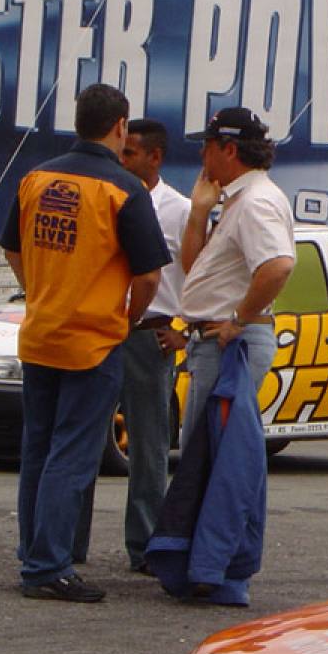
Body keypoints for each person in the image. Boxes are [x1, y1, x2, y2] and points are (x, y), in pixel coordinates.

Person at [0, 84, 169, 603]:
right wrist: (127, 318)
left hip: (41, 332)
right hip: (92, 341)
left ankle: (35, 553)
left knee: (38, 449)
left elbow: (10, 247)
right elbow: (149, 276)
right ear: (120, 127)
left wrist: (41, 291)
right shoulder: (123, 190)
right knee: (72, 455)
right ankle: (48, 566)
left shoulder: (36, 177)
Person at [177, 106, 296, 444]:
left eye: (209, 145)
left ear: (229, 149)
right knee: (204, 452)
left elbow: (278, 266)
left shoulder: (255, 202)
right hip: (217, 341)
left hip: (229, 343)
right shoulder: (240, 198)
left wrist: (237, 320)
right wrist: (199, 211)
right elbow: (193, 268)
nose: (202, 154)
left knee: (209, 454)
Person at [114, 118, 191, 573]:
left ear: (154, 157)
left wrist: (186, 329)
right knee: (84, 443)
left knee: (148, 447)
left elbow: (203, 275)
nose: (122, 160)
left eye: (130, 153)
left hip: (149, 335)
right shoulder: (107, 197)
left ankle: (144, 546)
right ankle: (68, 546)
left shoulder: (178, 211)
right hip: (100, 331)